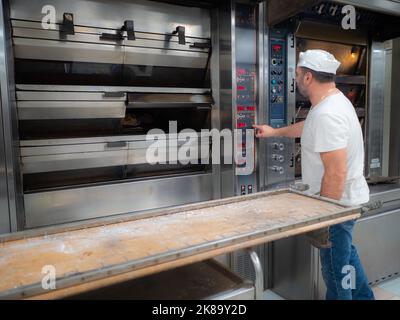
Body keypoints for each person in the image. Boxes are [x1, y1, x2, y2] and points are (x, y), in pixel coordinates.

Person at [253, 49, 375, 300]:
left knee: (335, 272)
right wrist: (274, 132)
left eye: (297, 74)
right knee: (346, 258)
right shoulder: (334, 102)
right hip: (345, 203)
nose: (295, 79)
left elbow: (336, 173)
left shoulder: (327, 113)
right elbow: (308, 126)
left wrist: (324, 219)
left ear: (308, 77)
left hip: (336, 207)